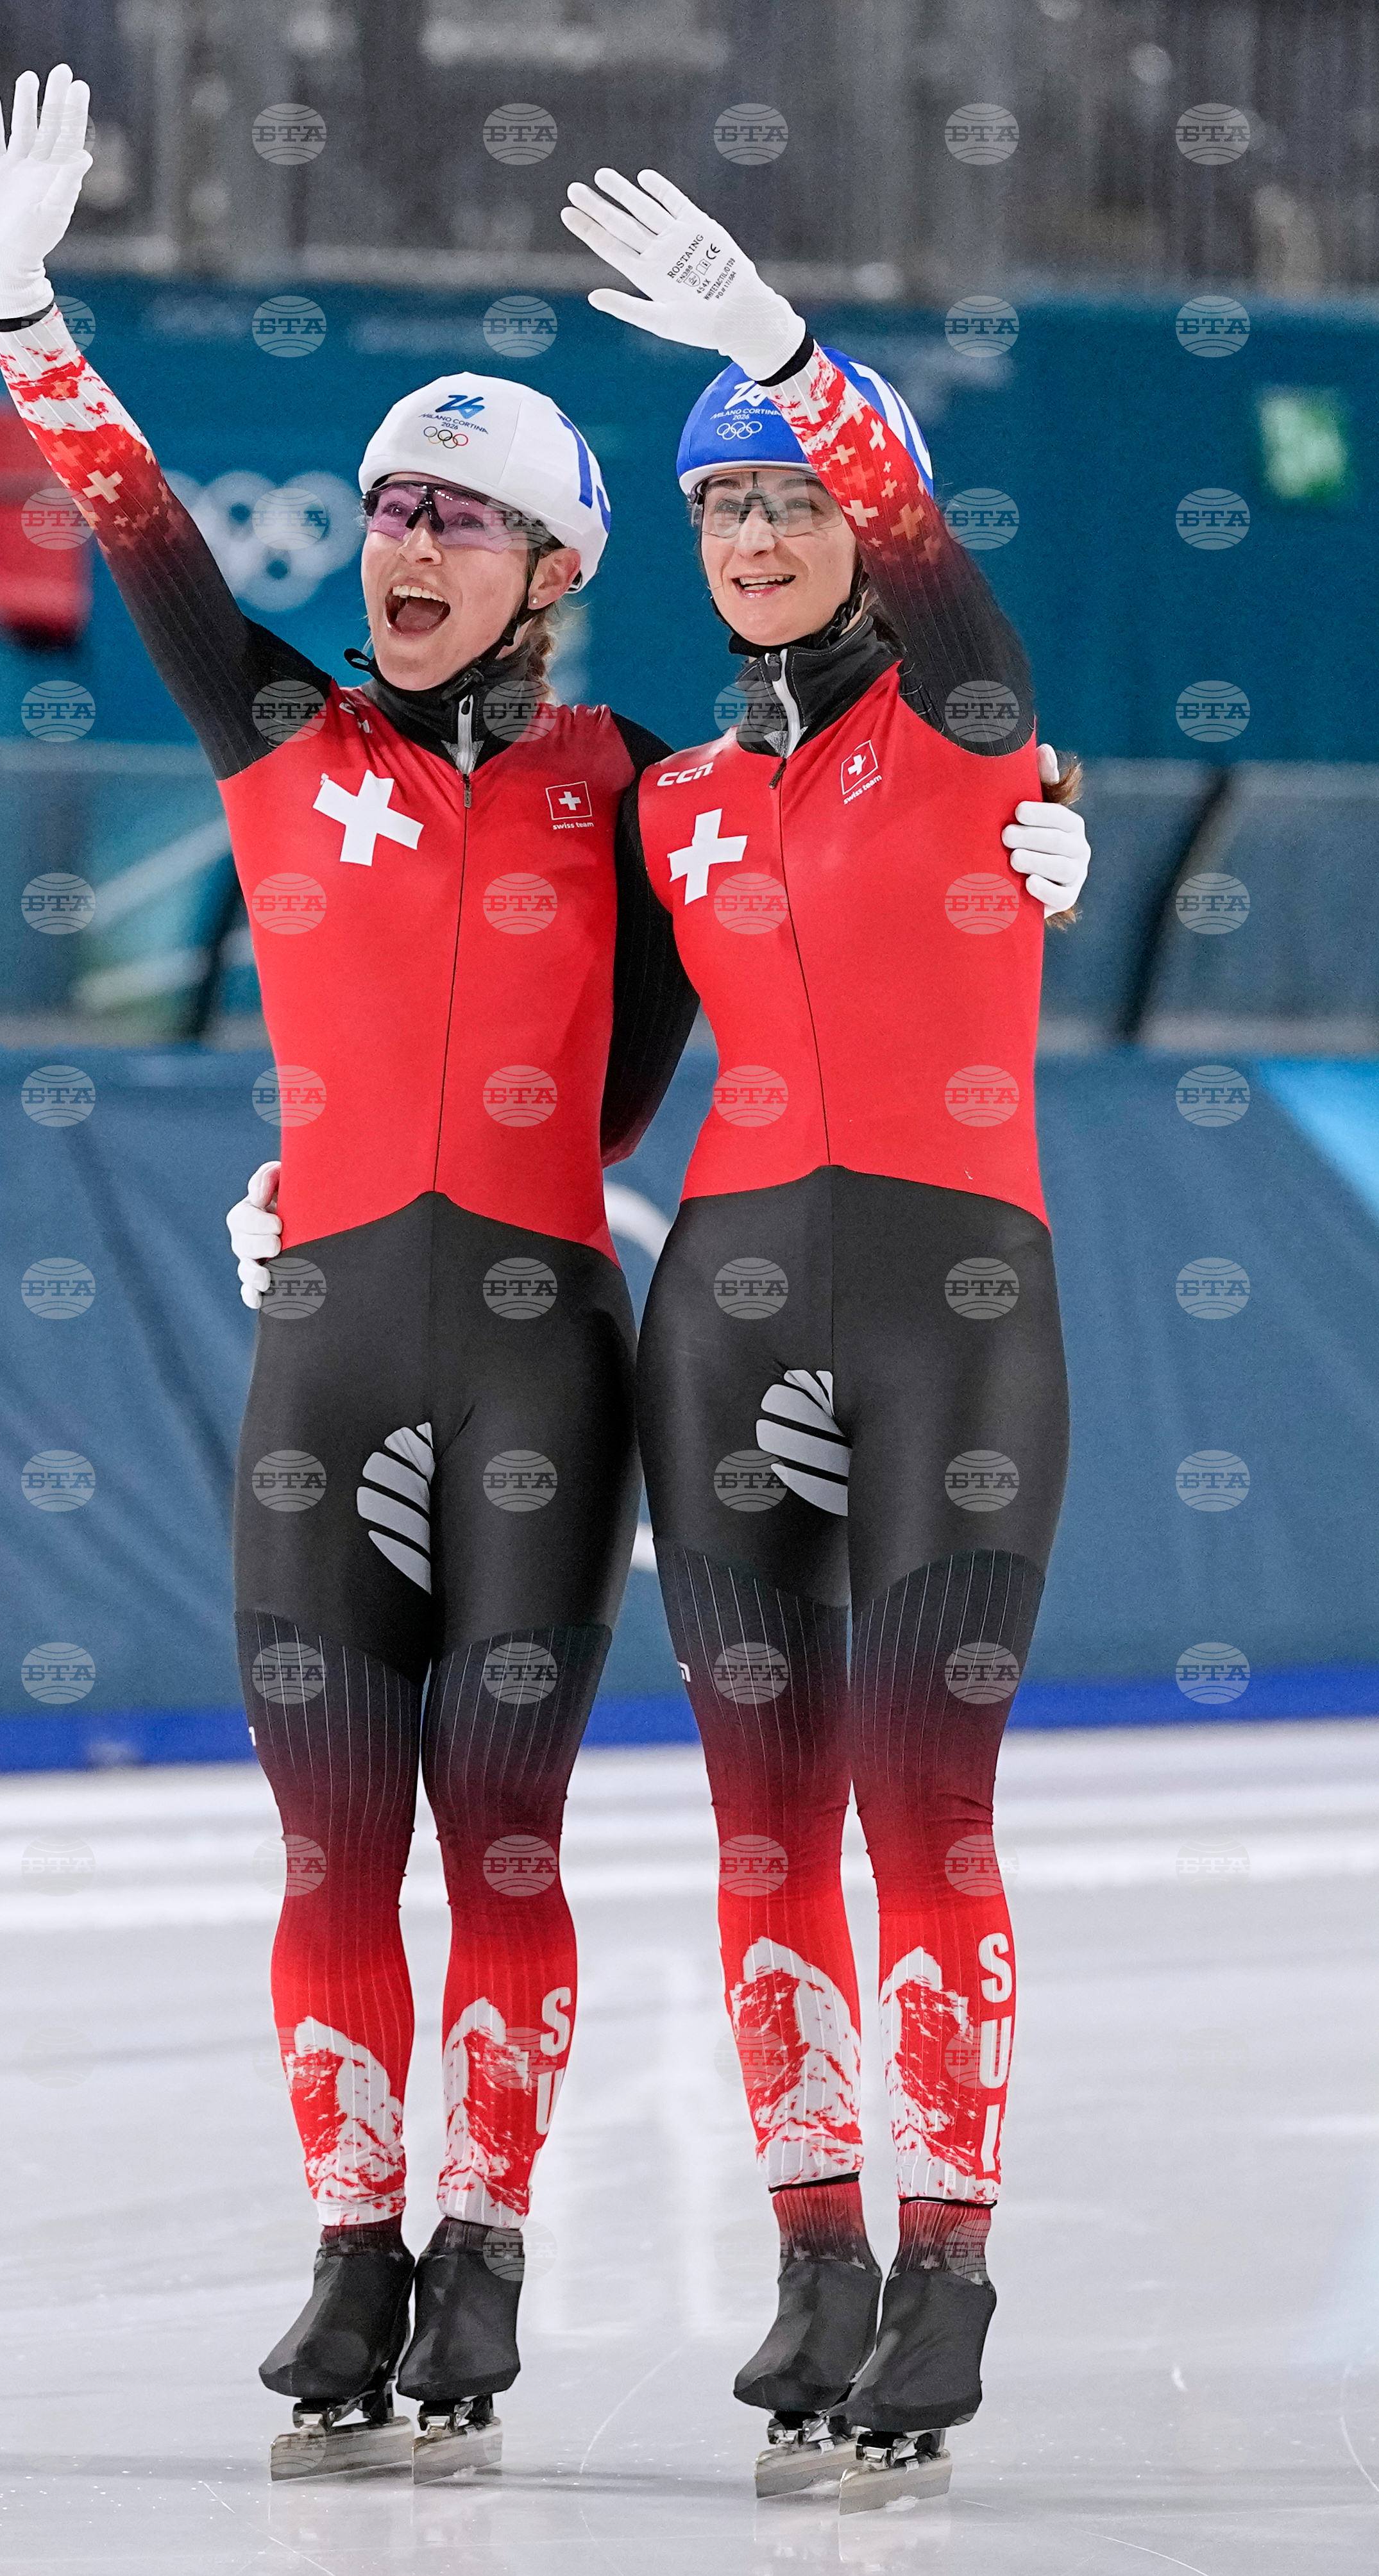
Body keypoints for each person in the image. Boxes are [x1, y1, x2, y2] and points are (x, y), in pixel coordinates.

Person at [0, 65, 704, 2477]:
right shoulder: (283, 731)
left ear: (552, 571)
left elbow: (670, 1051)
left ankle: (483, 2240)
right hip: (330, 1347)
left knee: (501, 1835)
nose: (405, 541)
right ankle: (354, 2240)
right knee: (328, 1843)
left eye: (459, 517)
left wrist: (1038, 816)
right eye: (388, 504)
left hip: (539, 1357)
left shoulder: (641, 789)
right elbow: (143, 530)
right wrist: (25, 313)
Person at [561, 168, 1086, 2507]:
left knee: (921, 1807)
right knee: (763, 1817)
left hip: (955, 1306)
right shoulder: (675, 797)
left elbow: (938, 559)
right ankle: (815, 2256)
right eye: (724, 507)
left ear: (865, 525)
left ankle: (948, 2260)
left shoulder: (973, 716)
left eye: (792, 497)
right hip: (726, 1317)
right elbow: (590, 1095)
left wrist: (784, 351)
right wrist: (335, 1176)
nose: (761, 532)